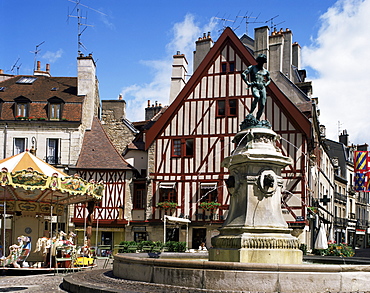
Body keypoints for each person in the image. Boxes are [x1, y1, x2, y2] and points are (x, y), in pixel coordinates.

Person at [241, 54, 271, 120]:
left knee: (262, 104)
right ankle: (251, 112)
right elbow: (243, 74)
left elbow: (269, 80)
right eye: (260, 61)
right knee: (257, 97)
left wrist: (266, 84)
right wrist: (247, 82)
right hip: (255, 86)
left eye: (262, 61)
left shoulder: (265, 71)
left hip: (262, 87)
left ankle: (258, 118)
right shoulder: (252, 67)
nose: (261, 63)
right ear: (258, 61)